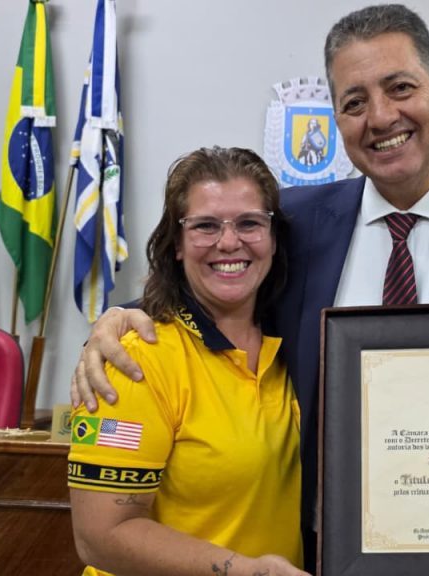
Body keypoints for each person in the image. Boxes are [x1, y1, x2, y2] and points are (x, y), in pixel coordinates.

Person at [73, 6, 429, 576]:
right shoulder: (292, 224)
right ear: (337, 119)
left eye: (400, 88)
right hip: (314, 554)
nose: (381, 117)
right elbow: (212, 288)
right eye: (355, 102)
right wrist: (117, 319)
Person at [67, 147, 309, 576]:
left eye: (250, 223)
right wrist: (246, 572)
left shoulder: (295, 343)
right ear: (177, 244)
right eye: (205, 226)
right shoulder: (135, 359)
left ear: (273, 238)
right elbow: (100, 536)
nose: (229, 242)